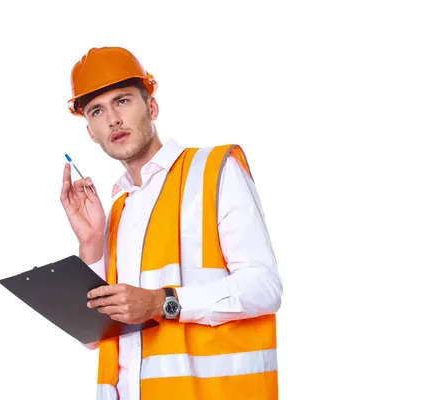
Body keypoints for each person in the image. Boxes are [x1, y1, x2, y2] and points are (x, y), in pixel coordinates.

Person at [60, 46, 283, 400]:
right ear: (90, 131)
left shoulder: (213, 171)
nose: (113, 119)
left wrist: (162, 302)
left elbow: (264, 287)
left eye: (123, 101)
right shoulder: (118, 210)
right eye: (97, 110)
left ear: (152, 107)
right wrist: (90, 245)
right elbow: (94, 338)